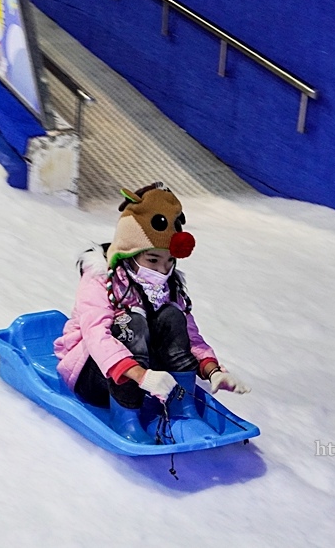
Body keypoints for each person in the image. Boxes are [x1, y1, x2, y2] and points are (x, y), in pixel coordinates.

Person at [53, 183, 249, 444]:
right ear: (129, 252)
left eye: (169, 261)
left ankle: (183, 410)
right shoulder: (100, 279)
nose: (161, 270)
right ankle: (126, 418)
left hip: (149, 378)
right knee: (131, 321)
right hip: (94, 373)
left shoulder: (168, 285)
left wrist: (212, 370)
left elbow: (190, 337)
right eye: (153, 260)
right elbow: (95, 334)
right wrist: (140, 376)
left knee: (172, 316)